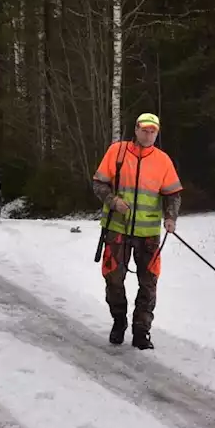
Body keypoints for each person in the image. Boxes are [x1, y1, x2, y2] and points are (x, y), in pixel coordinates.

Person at [90, 112, 182, 349]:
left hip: (149, 234)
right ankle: (118, 322)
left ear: (157, 133)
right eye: (144, 130)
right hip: (116, 229)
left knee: (149, 284)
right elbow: (98, 183)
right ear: (136, 130)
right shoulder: (117, 152)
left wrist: (171, 217)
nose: (148, 134)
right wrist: (113, 201)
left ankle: (141, 332)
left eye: (153, 131)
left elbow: (173, 194)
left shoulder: (163, 160)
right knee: (113, 280)